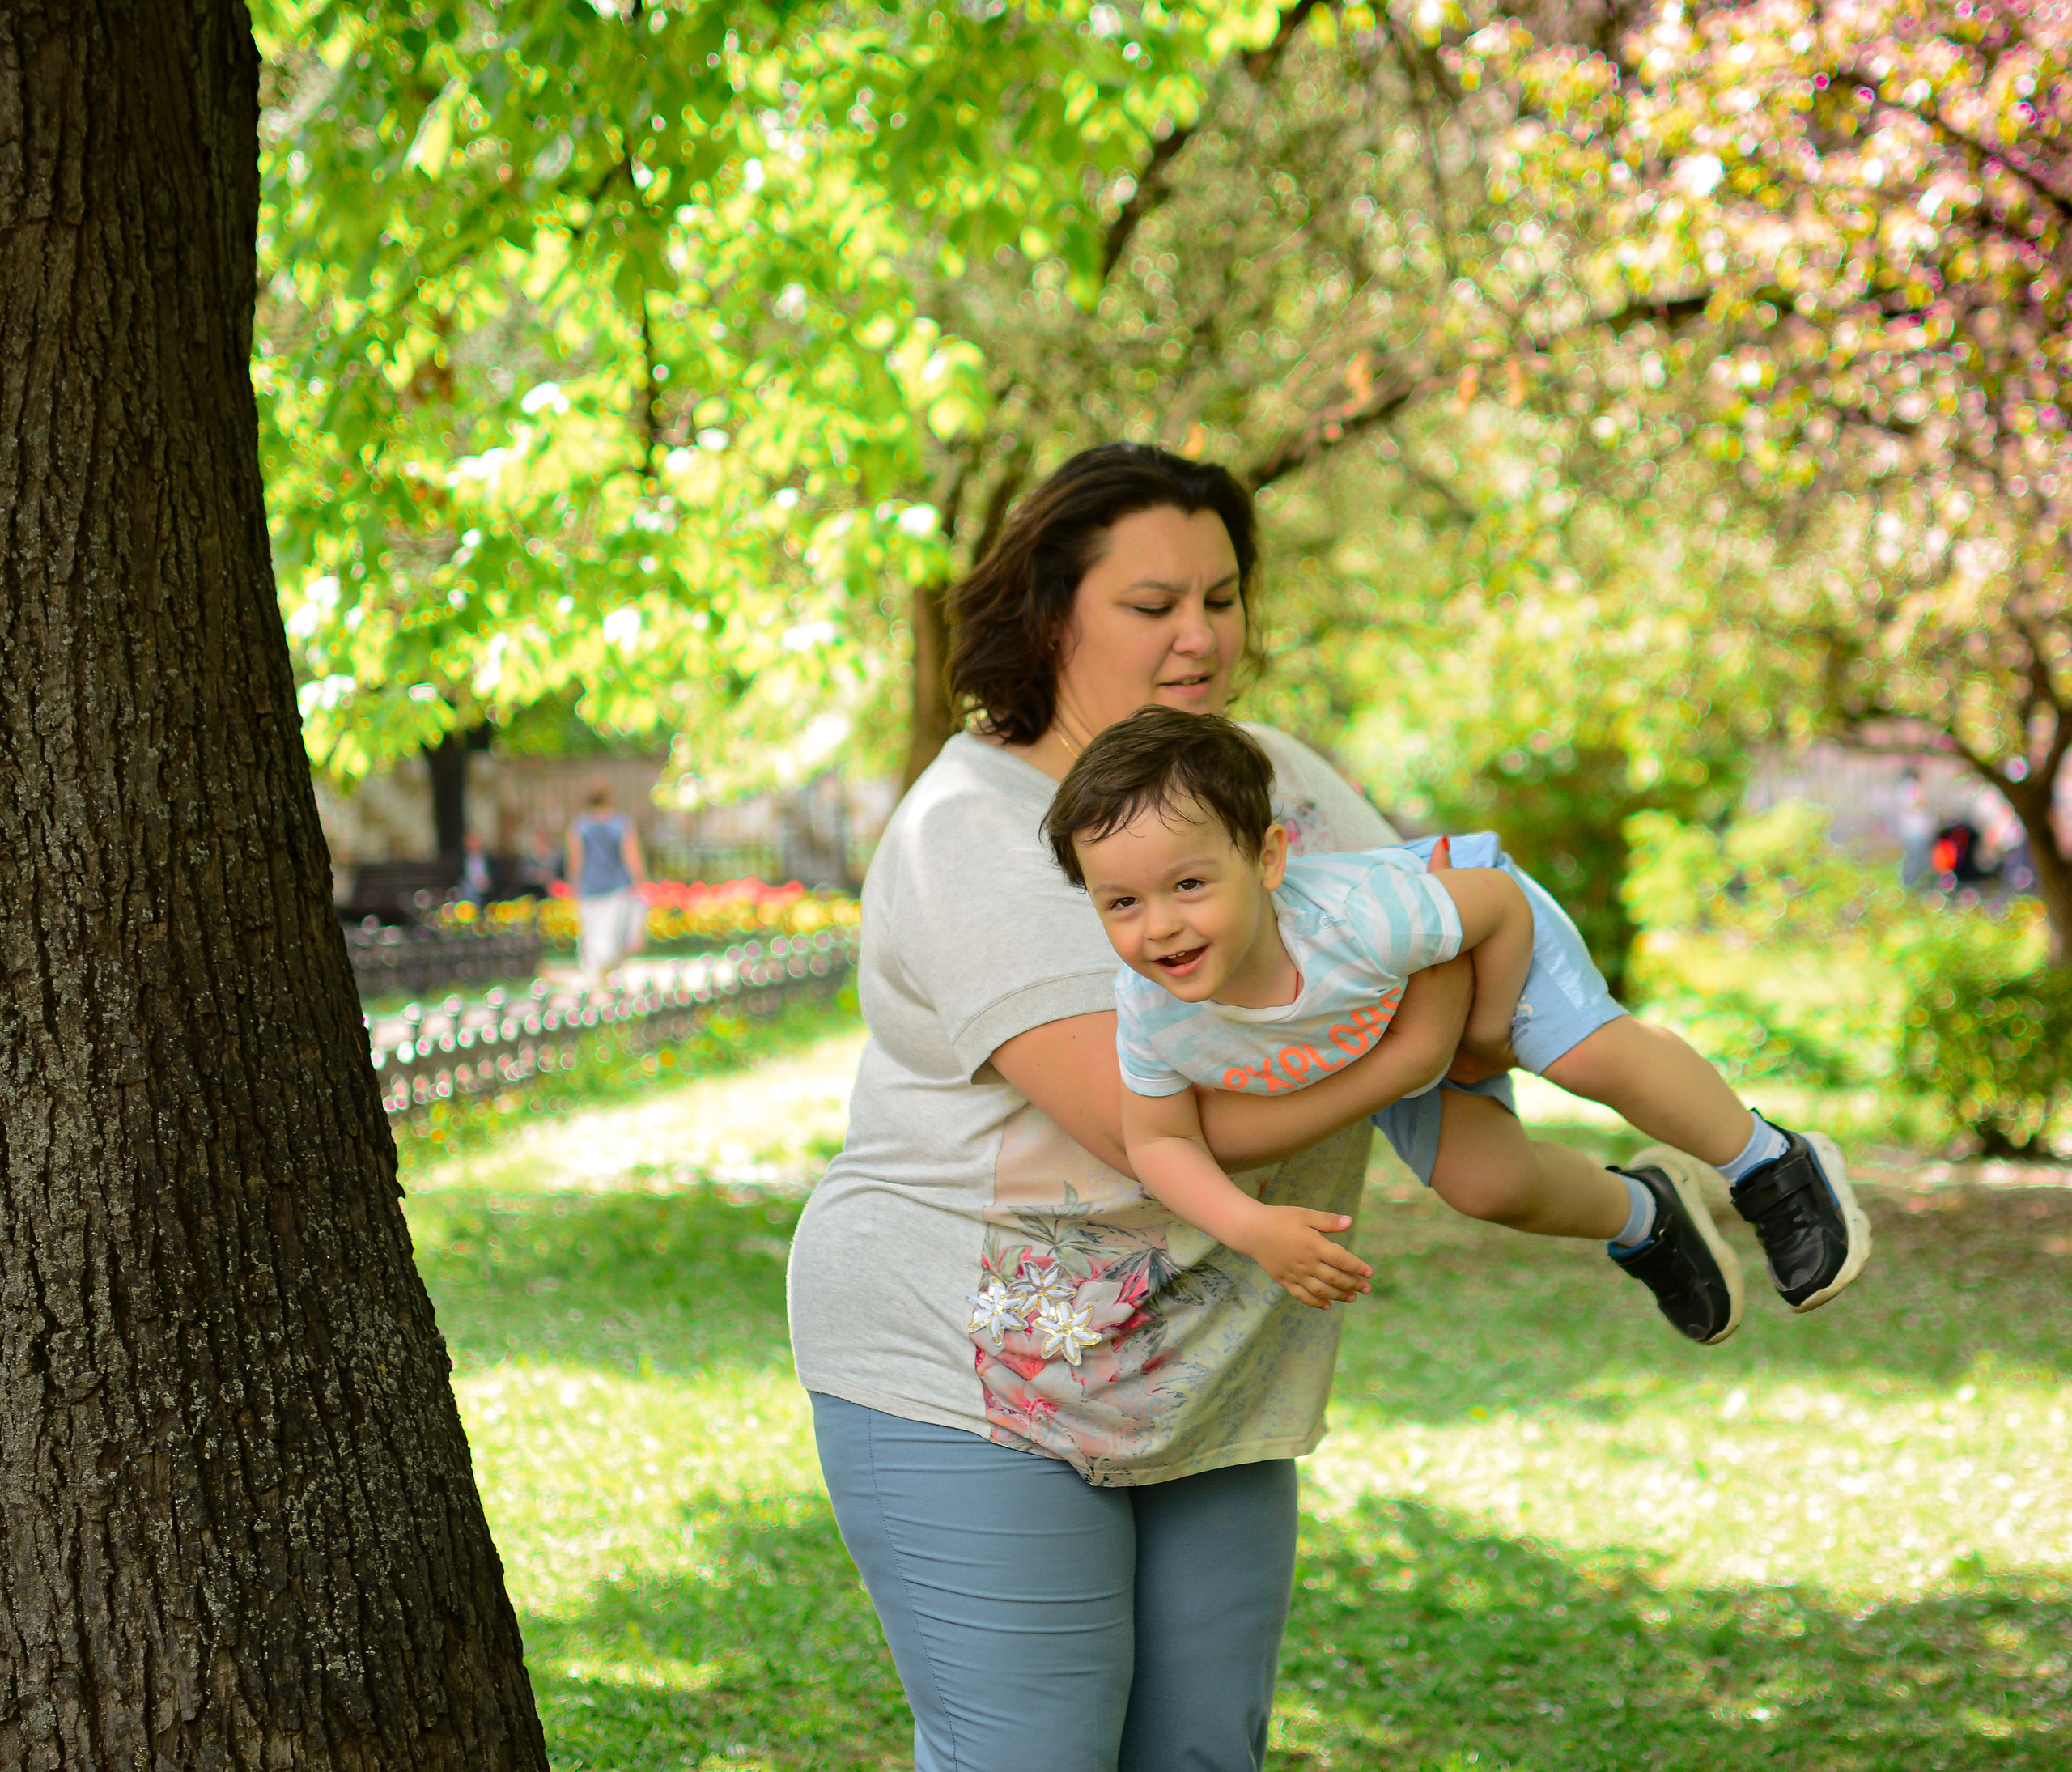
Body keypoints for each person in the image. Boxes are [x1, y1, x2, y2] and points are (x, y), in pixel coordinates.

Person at [790, 444, 1494, 1772]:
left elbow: (1444, 932)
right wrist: (1408, 1050)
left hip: (1208, 1362)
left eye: (1222, 599)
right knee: (1033, 1750)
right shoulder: (974, 825)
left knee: (1200, 1754)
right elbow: (1141, 1121)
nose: (1201, 635)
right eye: (1153, 602)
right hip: (967, 1359)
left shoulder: (1274, 777)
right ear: (1054, 614)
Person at [1044, 708, 1871, 1344]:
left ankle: (1769, 1161)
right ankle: (1644, 1213)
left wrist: (1483, 1036)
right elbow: (1159, 1141)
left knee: (1583, 1052)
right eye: (1121, 901)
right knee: (1486, 1184)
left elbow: (1499, 906)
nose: (1157, 927)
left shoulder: (1364, 919)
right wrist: (1251, 1225)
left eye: (1188, 884)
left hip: (1469, 930)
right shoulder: (1149, 1009)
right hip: (1377, 1026)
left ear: (1267, 859)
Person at [566, 785, 647, 979]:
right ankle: (610, 974)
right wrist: (640, 880)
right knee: (613, 932)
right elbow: (631, 856)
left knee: (592, 931)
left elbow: (575, 858)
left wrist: (573, 882)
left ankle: (595, 973)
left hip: (589, 886)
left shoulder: (580, 826)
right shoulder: (621, 824)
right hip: (617, 886)